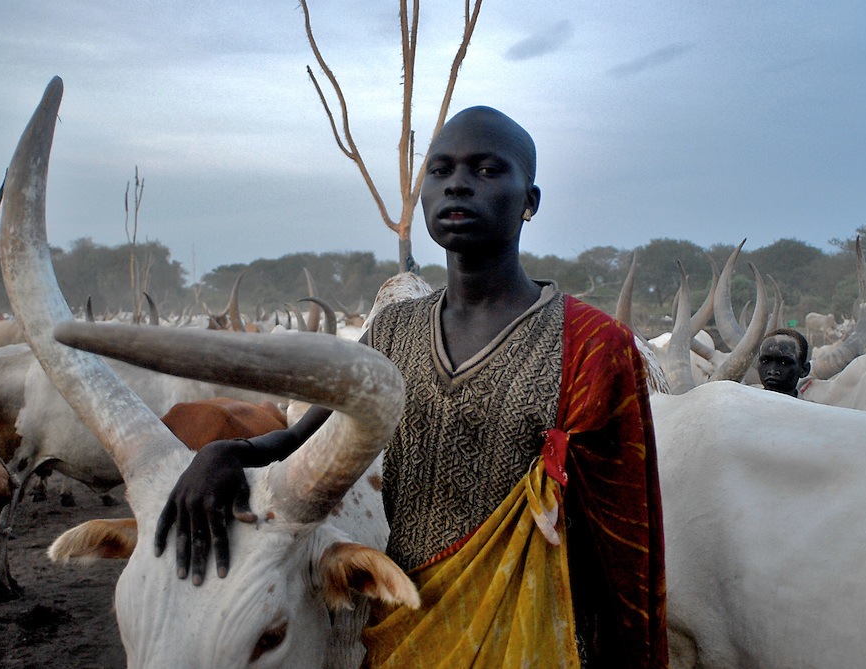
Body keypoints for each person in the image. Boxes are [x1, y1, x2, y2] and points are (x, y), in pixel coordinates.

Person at [155, 106, 668, 668]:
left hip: (536, 638)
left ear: (530, 201)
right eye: (440, 170)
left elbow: (622, 543)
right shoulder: (392, 330)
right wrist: (224, 452)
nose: (458, 184)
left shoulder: (593, 344)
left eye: (488, 170)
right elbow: (304, 436)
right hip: (407, 622)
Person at [755, 328, 811, 396]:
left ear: (804, 370)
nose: (773, 371)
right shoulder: (745, 403)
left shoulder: (813, 406)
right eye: (765, 361)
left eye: (784, 363)